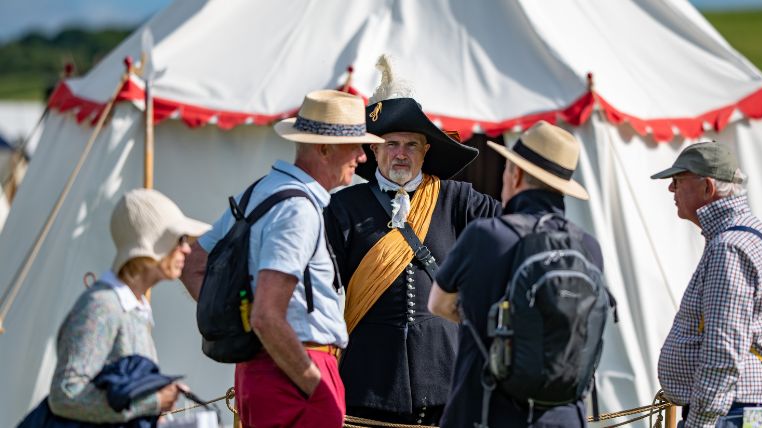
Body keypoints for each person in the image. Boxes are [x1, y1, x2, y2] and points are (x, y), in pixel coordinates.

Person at [180, 90, 384, 428]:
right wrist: (312, 383)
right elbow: (266, 315)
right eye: (355, 145)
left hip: (268, 369)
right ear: (324, 148)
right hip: (295, 376)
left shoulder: (261, 190)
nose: (362, 157)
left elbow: (192, 264)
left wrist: (242, 331)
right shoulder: (297, 209)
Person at [324, 56, 502, 424]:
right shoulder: (343, 207)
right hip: (369, 376)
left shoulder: (458, 199)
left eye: (411, 144)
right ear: (372, 151)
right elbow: (320, 282)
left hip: (445, 371)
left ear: (426, 151)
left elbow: (511, 232)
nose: (400, 153)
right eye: (390, 144)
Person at [427, 121, 600, 427]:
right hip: (565, 415)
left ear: (515, 174)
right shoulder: (587, 245)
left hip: (488, 410)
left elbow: (437, 304)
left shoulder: (486, 235)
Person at [46, 188, 209, 424]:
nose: (186, 249)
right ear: (152, 243)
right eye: (180, 239)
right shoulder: (102, 306)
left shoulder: (135, 307)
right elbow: (65, 395)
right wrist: (152, 401)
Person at [652, 141, 762, 427]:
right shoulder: (749, 234)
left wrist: (698, 422)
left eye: (678, 180)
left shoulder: (729, 246)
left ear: (707, 188)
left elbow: (722, 351)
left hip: (729, 414)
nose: (671, 190)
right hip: (744, 410)